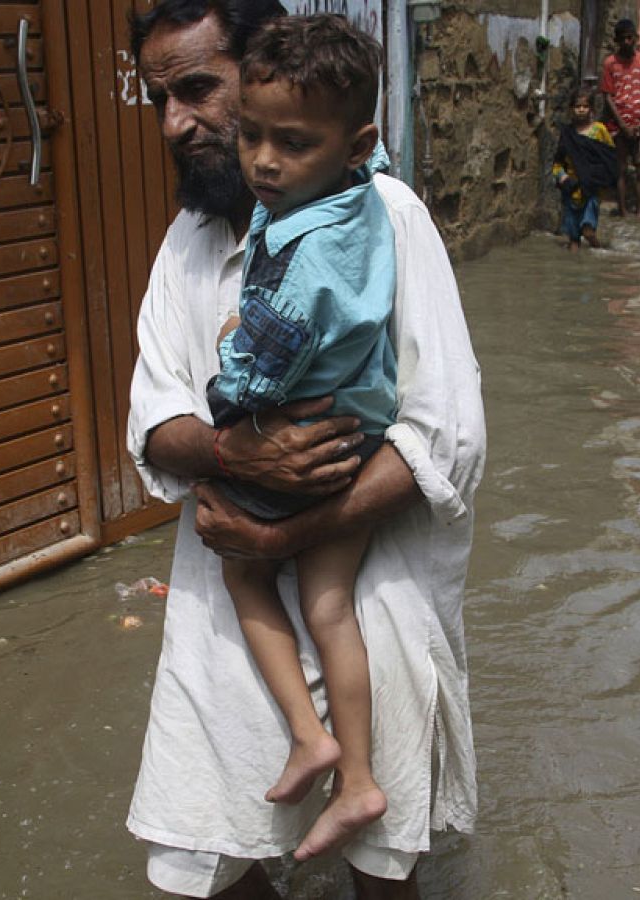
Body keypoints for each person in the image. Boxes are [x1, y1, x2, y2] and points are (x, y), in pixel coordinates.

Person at [125, 0, 486, 897]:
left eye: (198, 90)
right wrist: (236, 457)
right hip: (228, 598)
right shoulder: (190, 242)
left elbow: (448, 433)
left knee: (383, 859)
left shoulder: (387, 220)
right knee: (197, 847)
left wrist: (293, 531)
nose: (177, 123)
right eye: (159, 99)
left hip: (374, 589)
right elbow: (155, 419)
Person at [208, 13, 394, 864]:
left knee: (244, 568)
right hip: (360, 433)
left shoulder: (300, 257)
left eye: (292, 143)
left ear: (353, 144)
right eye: (250, 135)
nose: (264, 162)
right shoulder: (364, 193)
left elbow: (258, 378)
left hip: (301, 442)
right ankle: (357, 781)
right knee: (331, 608)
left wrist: (225, 379)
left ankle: (307, 735)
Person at [599, 18, 640, 216]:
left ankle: (639, 210)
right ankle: (622, 211)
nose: (627, 42)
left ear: (636, 38)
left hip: (638, 126)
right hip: (617, 126)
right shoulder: (610, 64)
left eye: (631, 38)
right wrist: (622, 124)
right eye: (623, 39)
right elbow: (607, 96)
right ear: (617, 41)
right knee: (620, 169)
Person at [551, 92, 616, 250]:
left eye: (585, 106)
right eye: (577, 106)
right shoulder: (567, 134)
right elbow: (558, 162)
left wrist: (602, 179)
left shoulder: (599, 130)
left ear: (591, 109)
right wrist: (562, 177)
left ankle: (601, 253)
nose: (581, 110)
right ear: (571, 109)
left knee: (588, 232)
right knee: (574, 240)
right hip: (571, 189)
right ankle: (576, 268)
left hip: (591, 189)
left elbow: (609, 157)